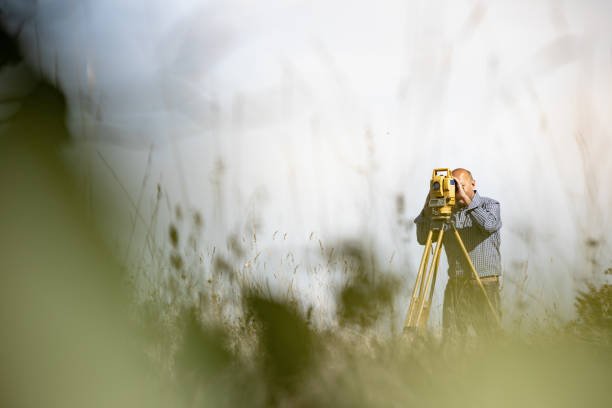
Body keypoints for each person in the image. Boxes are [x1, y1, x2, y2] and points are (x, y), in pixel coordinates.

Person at [414, 168, 502, 337]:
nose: (455, 190)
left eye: (460, 185)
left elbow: (489, 225)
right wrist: (427, 208)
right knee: (452, 338)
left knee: (490, 338)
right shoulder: (446, 212)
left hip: (484, 285)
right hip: (456, 285)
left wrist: (468, 202)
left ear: (473, 184)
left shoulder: (489, 204)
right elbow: (422, 238)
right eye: (452, 186)